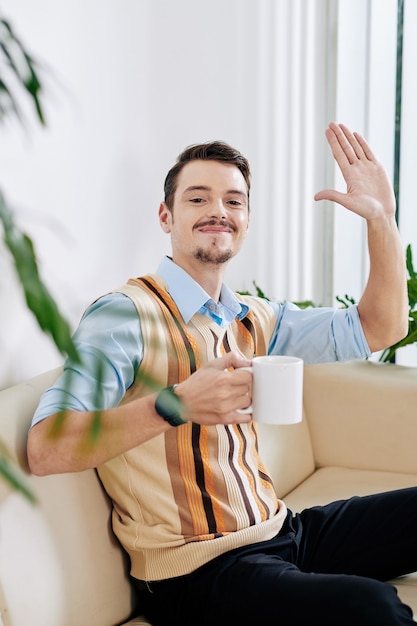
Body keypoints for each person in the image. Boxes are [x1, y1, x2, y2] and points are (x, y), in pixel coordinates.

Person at [28, 123, 414, 625]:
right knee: (373, 607)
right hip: (196, 571)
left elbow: (381, 327)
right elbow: (45, 447)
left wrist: (382, 219)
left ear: (247, 221)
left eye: (234, 201)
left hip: (281, 532)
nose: (218, 211)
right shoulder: (123, 316)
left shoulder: (252, 317)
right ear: (166, 215)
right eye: (198, 198)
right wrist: (174, 405)